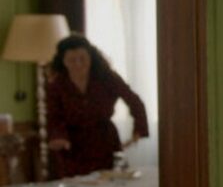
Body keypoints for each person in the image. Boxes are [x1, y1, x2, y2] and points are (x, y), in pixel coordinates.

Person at [46, 34, 149, 178]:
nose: (78, 64)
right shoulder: (56, 85)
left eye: (82, 58)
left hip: (104, 142)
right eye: (72, 60)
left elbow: (134, 101)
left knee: (109, 183)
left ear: (91, 57)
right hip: (72, 147)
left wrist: (138, 130)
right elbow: (54, 116)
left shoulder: (107, 78)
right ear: (62, 61)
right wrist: (58, 137)